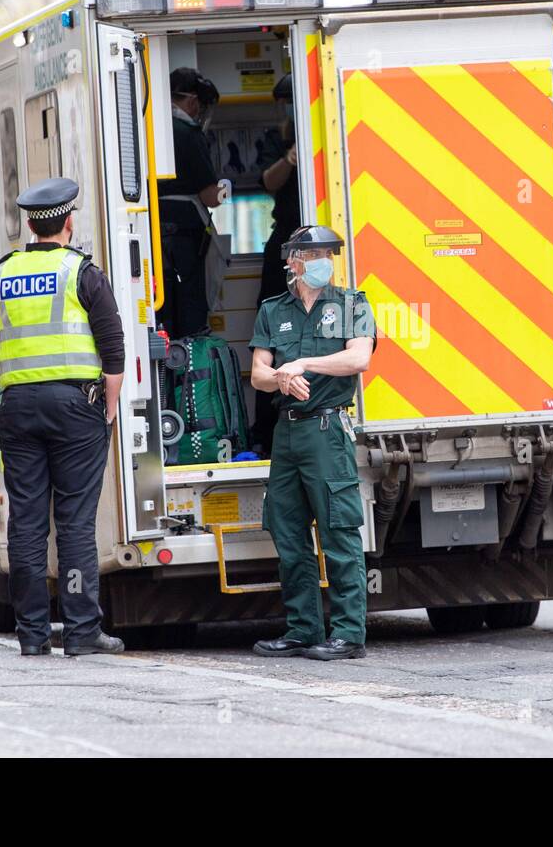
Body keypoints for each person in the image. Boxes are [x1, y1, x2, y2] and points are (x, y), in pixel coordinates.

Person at [0, 177, 127, 657]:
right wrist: (111, 404)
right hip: (76, 408)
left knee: (26, 523)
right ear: (68, 222)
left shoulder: (2, 273)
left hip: (18, 409)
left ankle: (32, 635)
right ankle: (81, 633)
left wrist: (11, 383)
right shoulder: (80, 271)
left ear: (29, 225)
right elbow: (113, 342)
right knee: (76, 522)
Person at [248, 225, 375, 661]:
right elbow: (258, 374)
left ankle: (348, 634)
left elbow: (359, 357)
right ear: (294, 261)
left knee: (338, 532)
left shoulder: (352, 304)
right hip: (288, 433)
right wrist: (281, 376)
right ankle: (303, 629)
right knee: (288, 532)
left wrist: (302, 361)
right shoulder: (273, 310)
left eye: (328, 252)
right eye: (314, 253)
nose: (324, 260)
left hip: (327, 431)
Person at [249, 74, 301, 457]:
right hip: (282, 245)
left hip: (316, 246)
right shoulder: (275, 139)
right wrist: (290, 158)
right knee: (270, 331)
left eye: (290, 100)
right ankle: (266, 435)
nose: (288, 109)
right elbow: (268, 181)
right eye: (283, 102)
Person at [157, 66, 222, 339]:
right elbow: (210, 196)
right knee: (191, 304)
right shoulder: (189, 132)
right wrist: (223, 192)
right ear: (193, 101)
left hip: (154, 227)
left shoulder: (148, 125)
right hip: (185, 232)